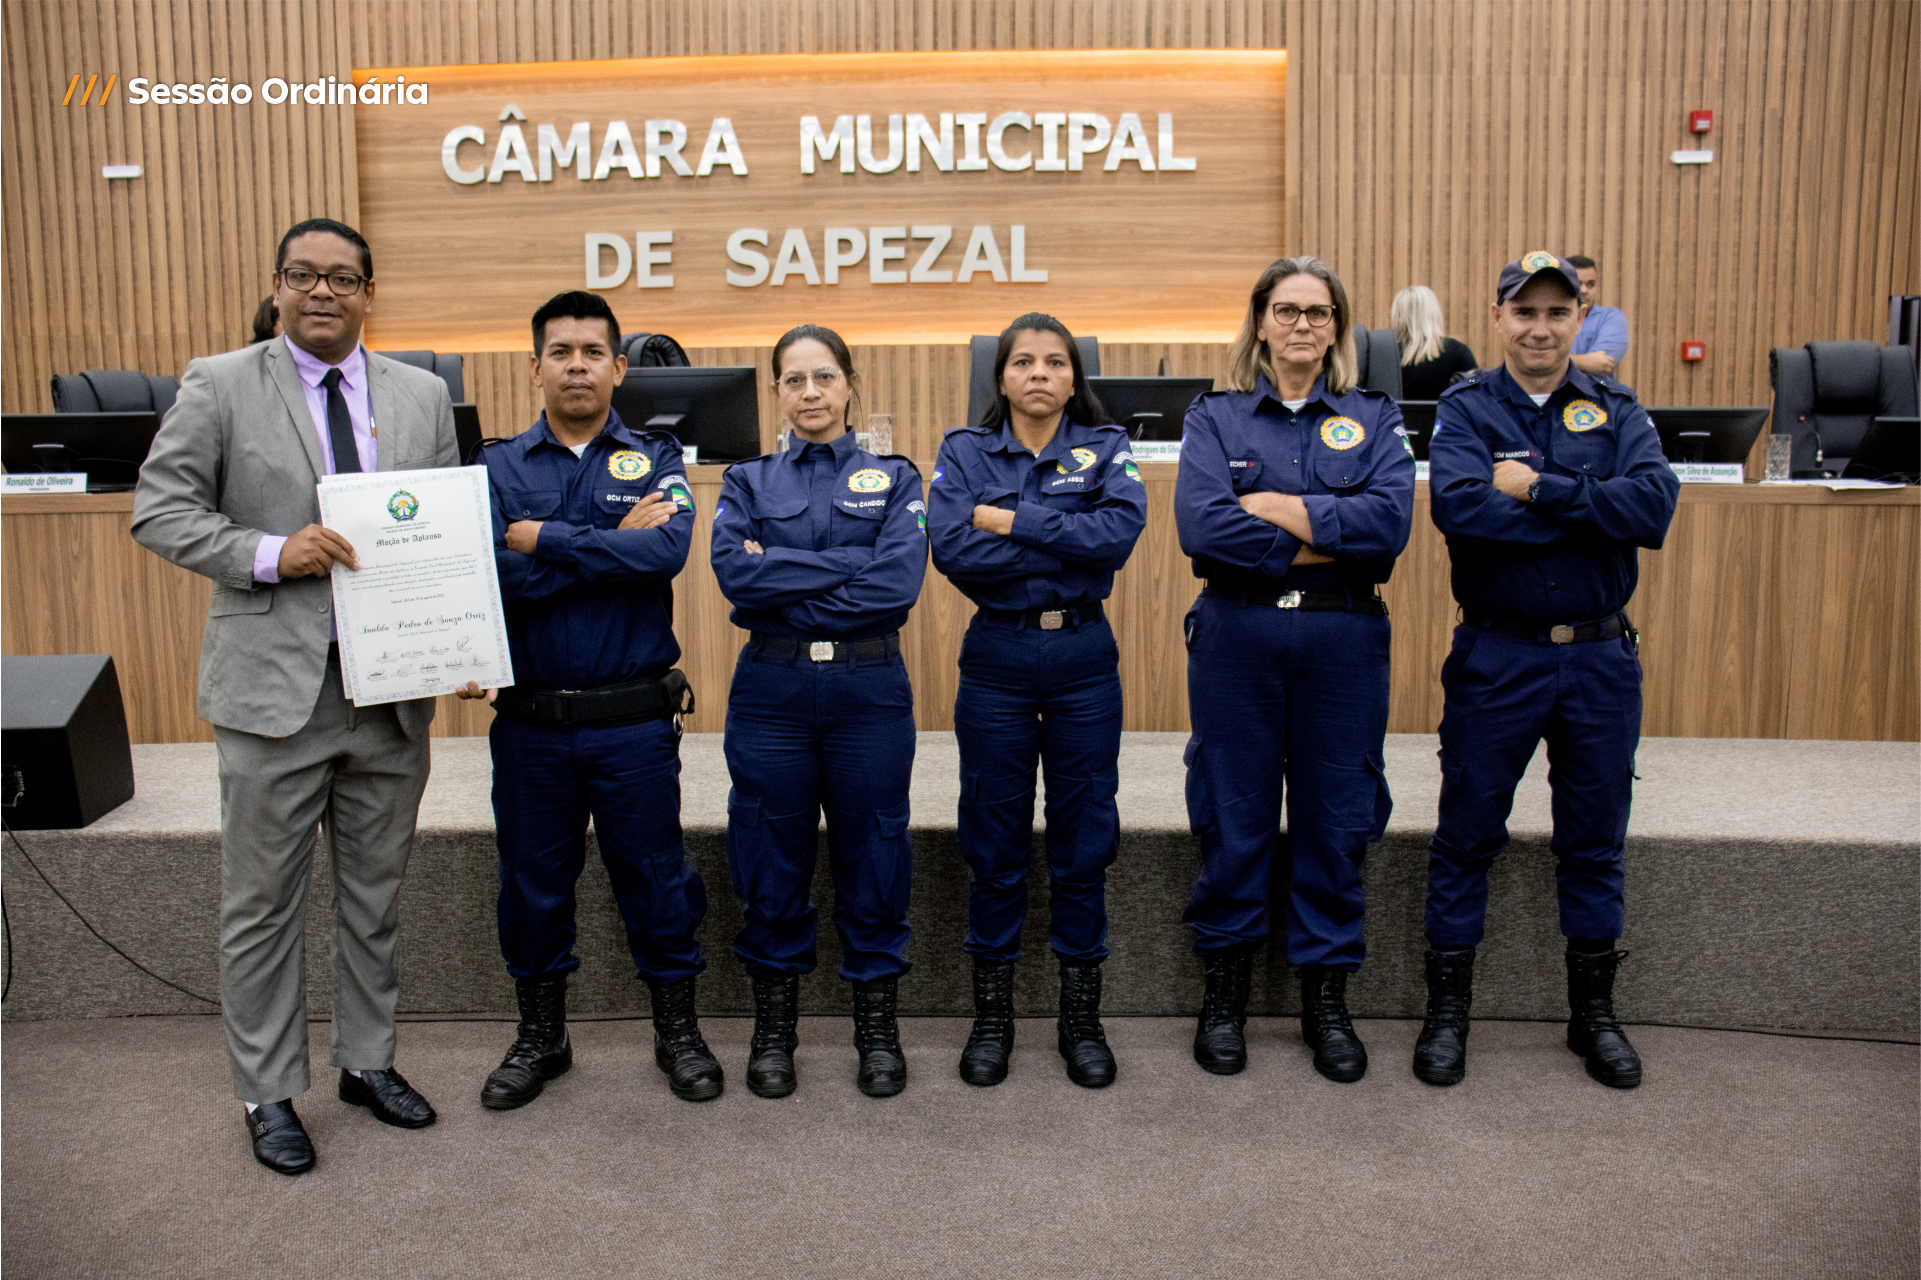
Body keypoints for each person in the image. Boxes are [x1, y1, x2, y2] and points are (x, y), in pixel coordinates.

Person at [131, 217, 458, 1175]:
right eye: (303, 276)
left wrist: (458, 636)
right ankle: (267, 1091)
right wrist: (272, 553)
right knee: (263, 904)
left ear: (369, 293)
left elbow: (435, 535)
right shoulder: (220, 383)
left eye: (343, 278)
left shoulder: (422, 395)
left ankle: (366, 1062)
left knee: (373, 895)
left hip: (390, 694)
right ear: (277, 287)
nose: (323, 292)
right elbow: (162, 511)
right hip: (274, 693)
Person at [452, 290, 719, 1111]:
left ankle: (677, 1031)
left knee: (655, 879)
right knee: (532, 885)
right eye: (559, 351)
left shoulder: (657, 456)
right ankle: (542, 1037)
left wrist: (542, 539)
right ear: (534, 365)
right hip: (531, 724)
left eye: (591, 352)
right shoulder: (494, 469)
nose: (576, 365)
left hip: (632, 721)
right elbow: (487, 574)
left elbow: (665, 551)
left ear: (618, 367)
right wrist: (607, 546)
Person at [1419, 251, 1678, 1091]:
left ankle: (1591, 1017)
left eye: (1556, 312)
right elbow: (1459, 510)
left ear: (1579, 318)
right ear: (1497, 318)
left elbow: (1652, 510)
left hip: (1600, 658)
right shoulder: (1464, 408)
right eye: (1523, 312)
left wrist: (1538, 490)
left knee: (1594, 840)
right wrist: (1587, 508)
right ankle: (1447, 1015)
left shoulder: (1616, 406)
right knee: (1466, 835)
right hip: (1498, 653)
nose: (1539, 327)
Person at [1175, 256, 1415, 1084]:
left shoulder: (1374, 417)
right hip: (1235, 635)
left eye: (1318, 313)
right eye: (1286, 310)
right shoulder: (1215, 418)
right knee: (1233, 814)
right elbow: (1201, 530)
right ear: (1260, 322)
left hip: (1341, 642)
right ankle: (1225, 997)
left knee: (1333, 818)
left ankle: (1326, 1001)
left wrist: (1270, 509)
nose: (1302, 326)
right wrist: (1325, 534)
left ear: (1338, 328)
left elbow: (1388, 529)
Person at [928, 313, 1149, 1090]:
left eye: (1055, 362)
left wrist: (1010, 519)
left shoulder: (1107, 447)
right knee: (992, 834)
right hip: (998, 654)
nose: (1039, 374)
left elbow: (1115, 538)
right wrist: (1061, 534)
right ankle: (992, 1020)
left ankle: (1078, 1020)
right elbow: (952, 548)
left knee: (1084, 832)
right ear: (1001, 376)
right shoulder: (964, 451)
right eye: (1022, 361)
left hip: (1084, 655)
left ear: (1072, 376)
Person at [711, 325, 928, 1099]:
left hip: (868, 692)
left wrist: (785, 570)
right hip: (772, 693)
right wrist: (846, 565)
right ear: (776, 390)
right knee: (770, 853)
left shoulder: (895, 479)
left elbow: (895, 586)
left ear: (848, 385)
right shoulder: (746, 482)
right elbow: (738, 579)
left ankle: (877, 1029)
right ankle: (775, 1030)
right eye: (794, 379)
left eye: (824, 377)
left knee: (875, 852)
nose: (809, 392)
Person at [1391, 285, 1478, 400]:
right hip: (1446, 418)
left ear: (1397, 316)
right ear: (1434, 313)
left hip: (1397, 418)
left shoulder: (1387, 355)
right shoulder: (1458, 352)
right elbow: (1478, 396)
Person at [1567, 255, 1628, 378]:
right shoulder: (1548, 319)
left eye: (1591, 284)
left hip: (1595, 395)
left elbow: (1600, 365)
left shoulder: (1611, 318)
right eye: (1578, 284)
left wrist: (1551, 362)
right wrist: (1584, 362)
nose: (1584, 290)